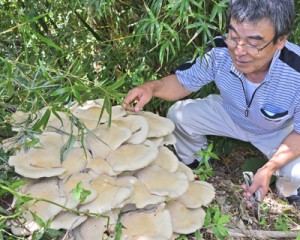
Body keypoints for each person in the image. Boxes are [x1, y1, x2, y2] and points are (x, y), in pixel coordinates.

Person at [123, 0, 300, 207]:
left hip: (277, 131)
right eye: (233, 36)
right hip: (229, 112)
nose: (239, 51)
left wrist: (268, 168)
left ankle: (287, 188)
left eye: (253, 43)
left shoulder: (296, 71)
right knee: (179, 116)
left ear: (280, 40)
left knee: (296, 174)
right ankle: (194, 161)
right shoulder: (219, 51)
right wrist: (151, 88)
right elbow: (182, 82)